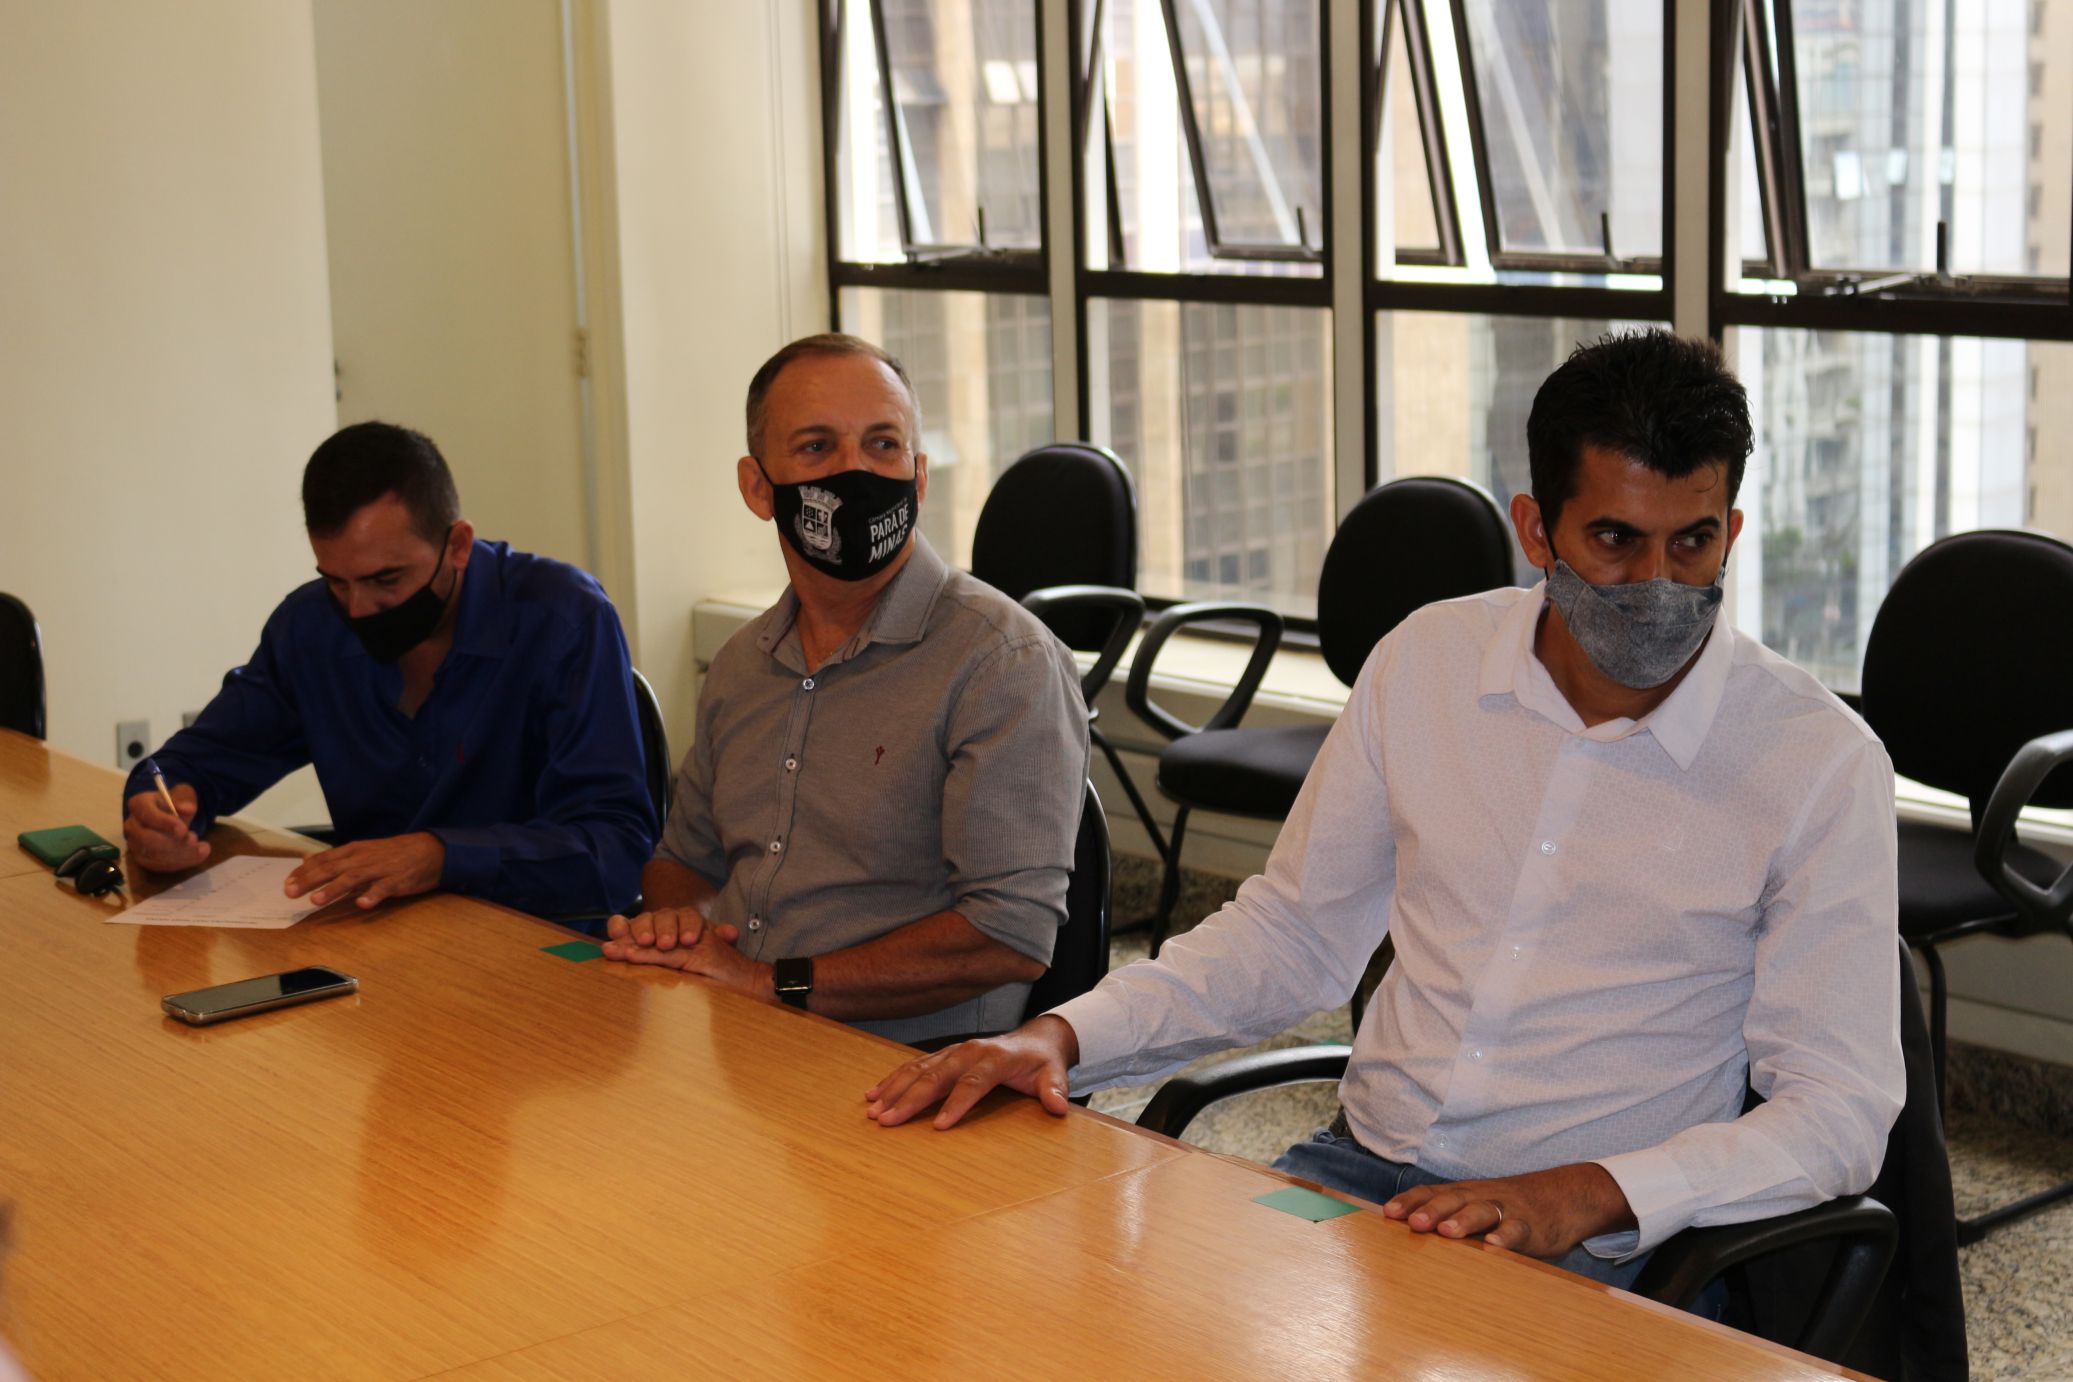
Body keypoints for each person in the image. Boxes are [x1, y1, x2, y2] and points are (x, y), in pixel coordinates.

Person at [864, 330, 1903, 1290]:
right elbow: (1293, 933)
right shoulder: (1427, 663)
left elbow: (1840, 1109)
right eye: (1615, 539)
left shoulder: (1813, 760)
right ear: (1535, 528)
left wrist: (1589, 1192)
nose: (1657, 584)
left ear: (1732, 530)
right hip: (1357, 1180)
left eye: (1693, 544)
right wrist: (1063, 1035)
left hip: (1603, 1245)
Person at [599, 334, 1090, 1046]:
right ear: (758, 488)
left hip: (911, 1064)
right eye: (817, 447)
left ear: (919, 477)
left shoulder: (1003, 663)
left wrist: (774, 984)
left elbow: (1006, 936)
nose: (855, 471)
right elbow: (685, 860)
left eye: (883, 445)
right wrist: (676, 920)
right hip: (739, 1038)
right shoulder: (742, 665)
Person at [122, 422, 656, 918]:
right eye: (336, 581)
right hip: (374, 940)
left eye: (386, 580)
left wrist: (442, 857)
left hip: (536, 947)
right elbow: (192, 764)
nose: (358, 609)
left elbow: (616, 850)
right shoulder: (310, 628)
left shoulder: (563, 619)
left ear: (458, 546)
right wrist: (161, 814)